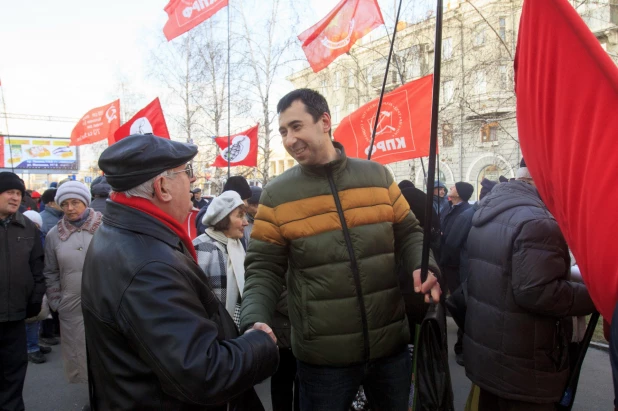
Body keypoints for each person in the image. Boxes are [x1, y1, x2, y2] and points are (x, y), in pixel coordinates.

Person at [240, 89, 441, 411]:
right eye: (282, 132)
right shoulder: (277, 195)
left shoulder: (377, 176)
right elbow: (263, 267)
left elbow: (408, 231)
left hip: (391, 349)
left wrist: (424, 265)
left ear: (324, 121)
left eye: (296, 126)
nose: (289, 139)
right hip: (322, 361)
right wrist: (255, 320)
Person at [82, 134, 279, 410]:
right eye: (187, 172)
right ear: (162, 187)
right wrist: (261, 344)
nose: (195, 181)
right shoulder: (149, 267)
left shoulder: (121, 234)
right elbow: (203, 374)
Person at [464, 161, 596, 410]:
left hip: (493, 357)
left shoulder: (493, 210)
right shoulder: (537, 221)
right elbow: (539, 292)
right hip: (525, 366)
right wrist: (596, 295)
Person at [44, 181, 103, 388]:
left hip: (105, 302)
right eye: (65, 203)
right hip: (70, 304)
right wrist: (56, 301)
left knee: (107, 353)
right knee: (79, 355)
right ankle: (91, 395)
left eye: (75, 202)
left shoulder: (105, 227)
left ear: (85, 202)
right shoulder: (54, 235)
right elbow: (50, 271)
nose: (70, 208)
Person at [0, 172, 45, 410]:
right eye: (9, 192)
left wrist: (35, 299)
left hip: (16, 315)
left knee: (14, 372)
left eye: (18, 193)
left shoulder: (27, 227)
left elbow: (38, 267)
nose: (15, 197)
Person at [22, 210, 52, 364]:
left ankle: (34, 343)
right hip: (29, 282)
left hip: (39, 279)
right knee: (31, 319)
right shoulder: (25, 237)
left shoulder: (39, 235)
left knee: (39, 315)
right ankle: (31, 347)